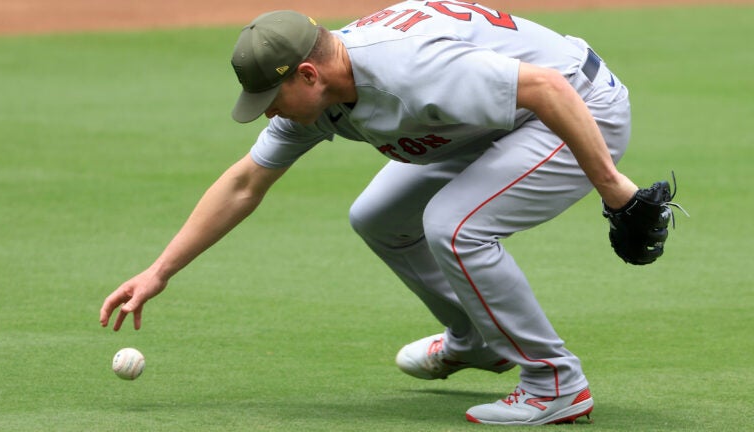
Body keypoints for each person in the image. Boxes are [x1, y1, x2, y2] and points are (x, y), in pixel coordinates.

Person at [100, 0, 644, 425]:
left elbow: (547, 87)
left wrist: (613, 189)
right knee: (377, 217)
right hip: (490, 121)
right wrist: (159, 271)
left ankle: (555, 385)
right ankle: (476, 338)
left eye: (272, 97)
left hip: (577, 108)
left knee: (456, 228)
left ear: (309, 74)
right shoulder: (323, 90)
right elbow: (245, 181)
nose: (269, 113)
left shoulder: (407, 69)